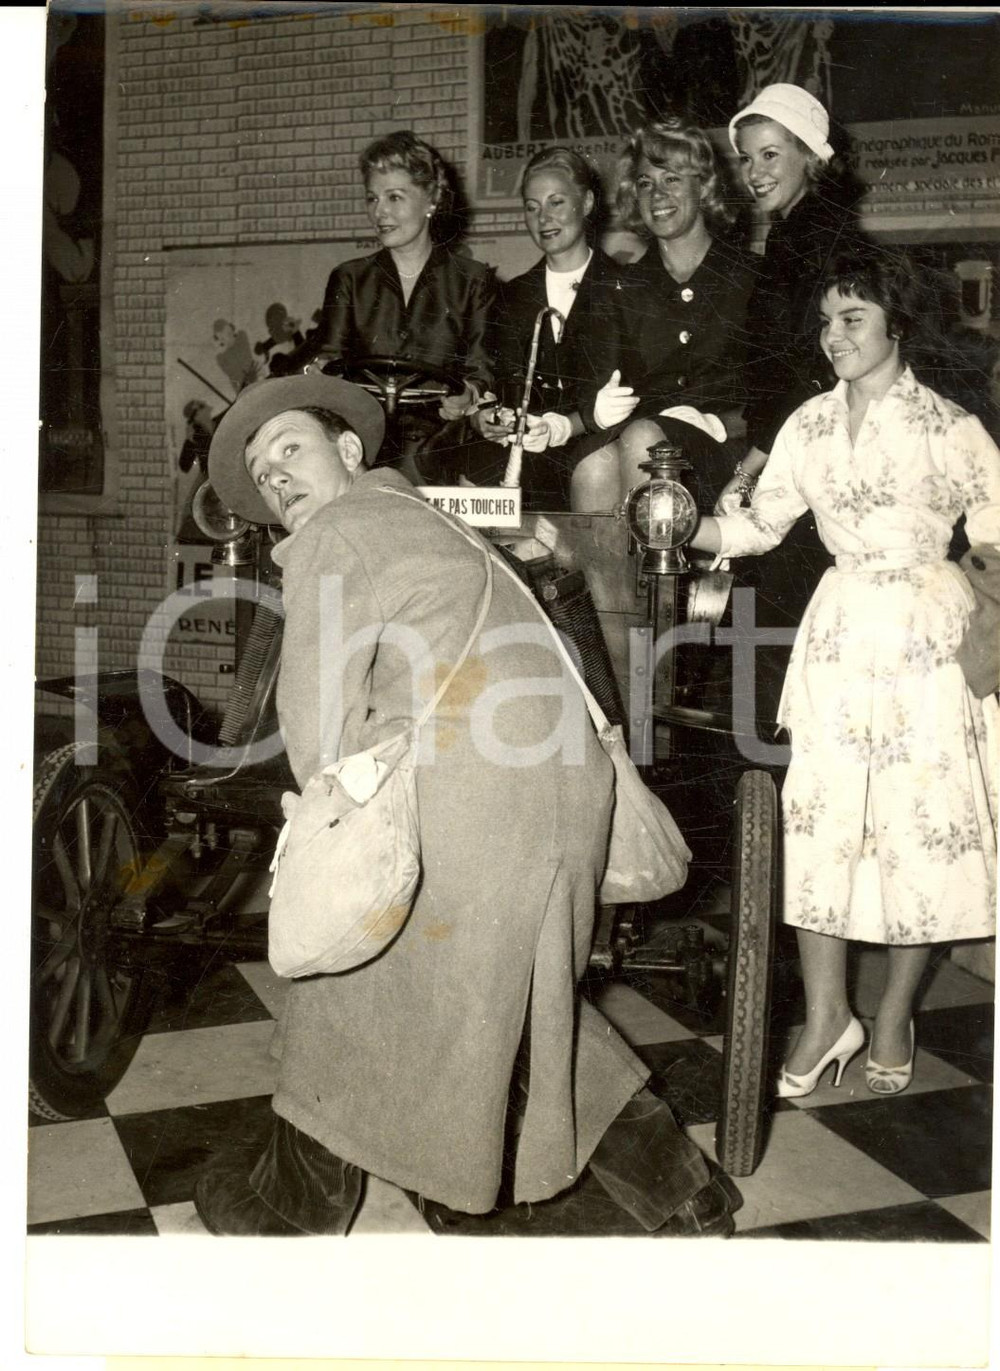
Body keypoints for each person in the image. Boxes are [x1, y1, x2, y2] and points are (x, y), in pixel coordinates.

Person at [196, 371, 742, 1237]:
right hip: (563, 793)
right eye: (263, 474)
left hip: (475, 795)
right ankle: (682, 1188)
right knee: (518, 1001)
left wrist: (321, 824)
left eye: (290, 449)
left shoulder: (338, 533)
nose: (277, 478)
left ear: (348, 452)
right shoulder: (440, 525)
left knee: (342, 978)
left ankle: (288, 1210)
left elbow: (319, 722)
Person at [687, 248, 999, 1099]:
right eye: (825, 321)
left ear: (897, 323)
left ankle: (894, 1011)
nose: (832, 337)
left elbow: (998, 536)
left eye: (851, 319)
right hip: (837, 634)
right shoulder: (809, 425)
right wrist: (678, 527)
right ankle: (830, 1015)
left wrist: (986, 622)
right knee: (822, 828)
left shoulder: (951, 425)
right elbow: (757, 527)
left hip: (928, 639)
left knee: (916, 831)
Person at [298, 130, 496, 484]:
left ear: (431, 200)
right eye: (372, 199)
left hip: (441, 439)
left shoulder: (473, 280)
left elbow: (482, 369)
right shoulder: (349, 279)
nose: (380, 212)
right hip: (362, 432)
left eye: (394, 197)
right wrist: (321, 369)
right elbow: (330, 356)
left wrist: (469, 393)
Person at [591, 115, 758, 511]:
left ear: (703, 186)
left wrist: (717, 422)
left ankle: (653, 574)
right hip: (647, 447)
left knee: (641, 442)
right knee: (593, 468)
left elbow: (779, 395)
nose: (656, 195)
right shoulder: (622, 287)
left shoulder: (753, 276)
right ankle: (616, 577)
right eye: (646, 183)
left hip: (732, 455)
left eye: (672, 180)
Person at [461, 145, 641, 511]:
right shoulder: (512, 296)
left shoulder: (629, 288)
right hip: (528, 447)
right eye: (532, 206)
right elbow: (499, 381)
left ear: (587, 204)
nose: (544, 218)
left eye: (556, 202)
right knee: (471, 469)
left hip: (595, 442)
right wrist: (490, 417)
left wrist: (565, 425)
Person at [715, 83, 866, 511]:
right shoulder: (795, 231)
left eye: (770, 154)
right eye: (746, 158)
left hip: (817, 448)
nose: (754, 174)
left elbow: (811, 370)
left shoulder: (814, 239)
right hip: (793, 436)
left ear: (810, 156)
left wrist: (747, 471)